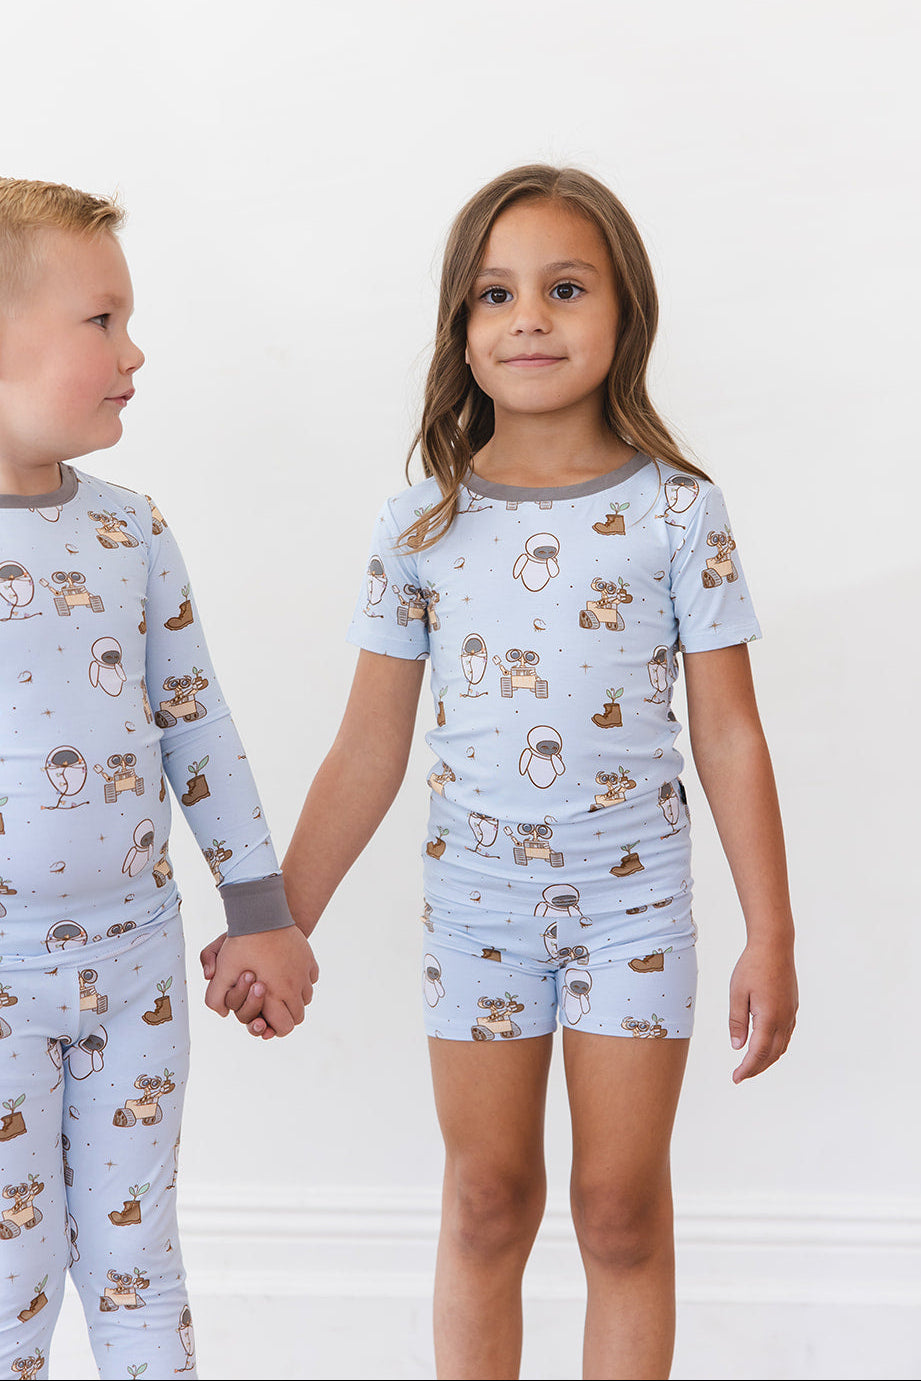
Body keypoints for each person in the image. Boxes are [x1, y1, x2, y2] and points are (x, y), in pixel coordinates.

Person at [278, 164, 798, 1380]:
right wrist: (278, 919)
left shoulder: (681, 512)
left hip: (633, 914)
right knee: (486, 1200)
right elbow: (368, 745)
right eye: (495, 294)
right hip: (478, 913)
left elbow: (730, 735)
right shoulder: (421, 523)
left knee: (618, 1208)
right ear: (461, 327)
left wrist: (770, 932)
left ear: (625, 311)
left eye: (565, 288)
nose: (529, 319)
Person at [0, 178, 317, 1380]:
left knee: (139, 1261)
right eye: (102, 321)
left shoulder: (131, 531)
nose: (134, 351)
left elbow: (196, 726)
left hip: (137, 960)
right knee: (12, 1274)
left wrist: (262, 910)